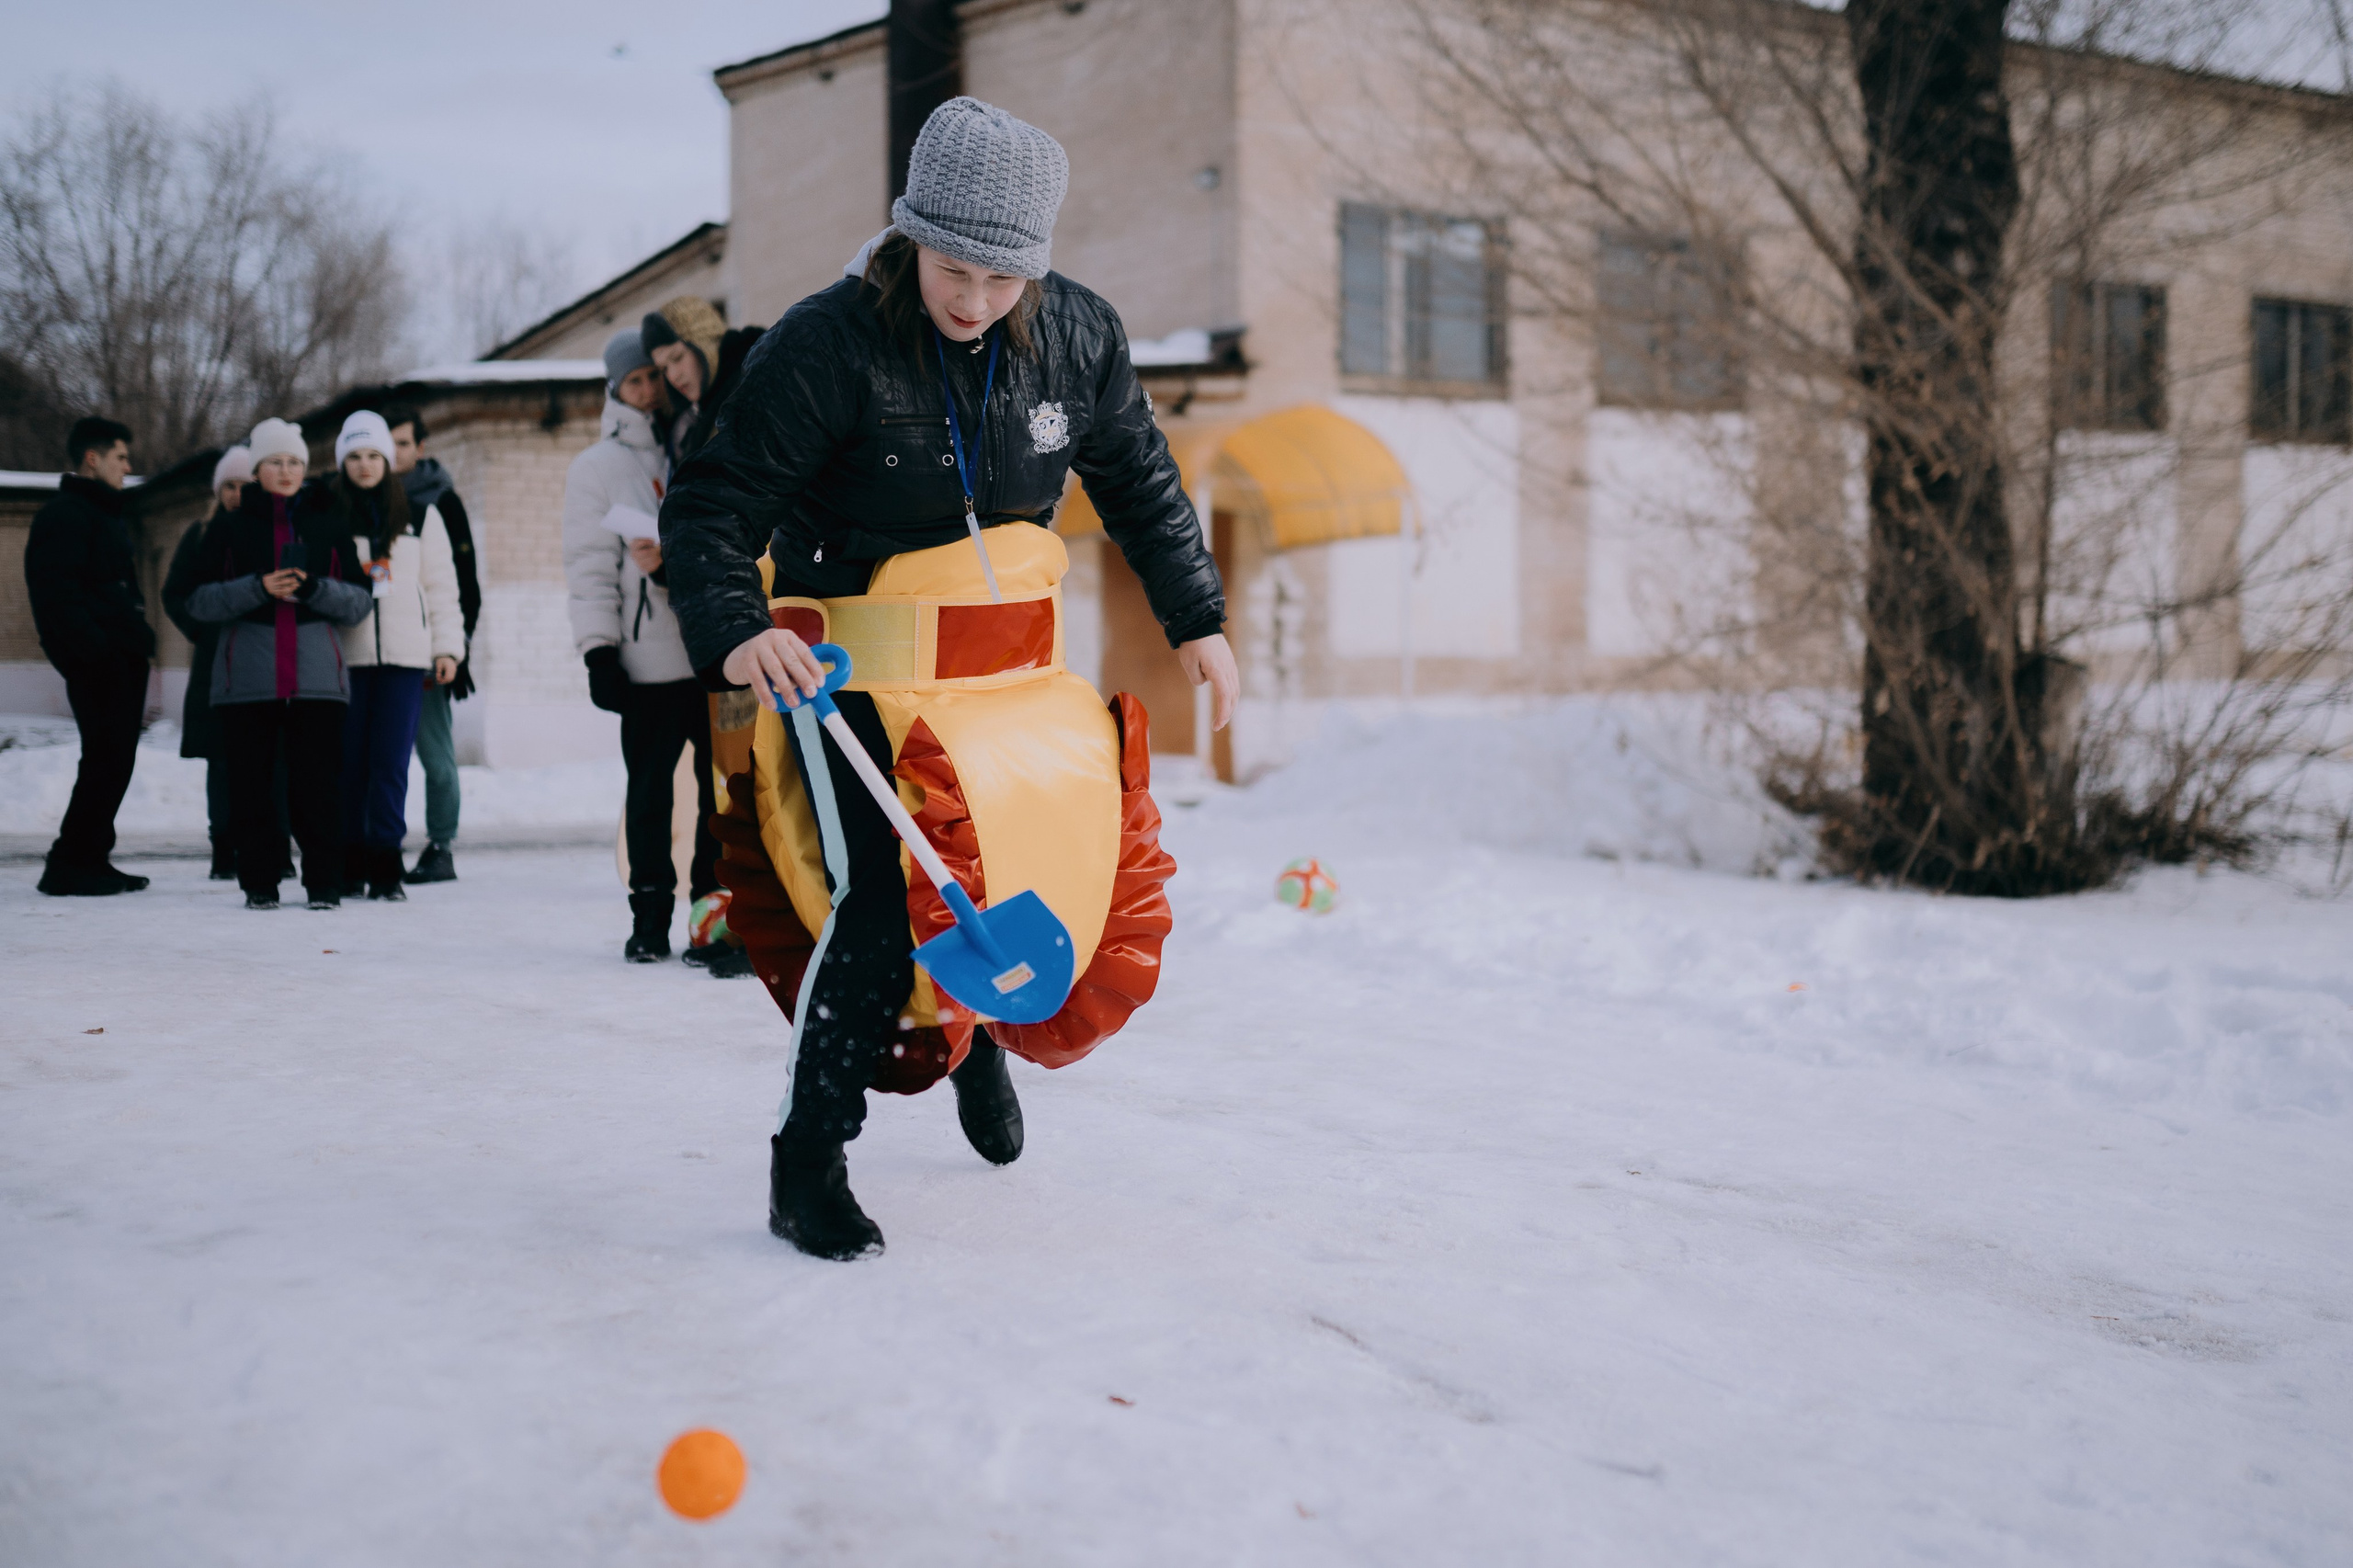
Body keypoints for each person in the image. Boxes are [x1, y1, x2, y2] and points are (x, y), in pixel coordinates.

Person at [662, 97, 1238, 1260]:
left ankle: (972, 1043)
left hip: (1007, 676)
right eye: (953, 267)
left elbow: (1137, 475)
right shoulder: (829, 344)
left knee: (1024, 874)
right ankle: (809, 1155)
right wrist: (735, 628)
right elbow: (714, 507)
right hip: (855, 673)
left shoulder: (1077, 334)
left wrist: (1198, 618)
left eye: (1002, 276)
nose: (975, 299)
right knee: (883, 898)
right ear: (910, 234)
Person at [563, 327, 723, 961]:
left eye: (656, 375)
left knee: (721, 796)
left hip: (713, 651)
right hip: (647, 660)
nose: (650, 389)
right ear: (616, 390)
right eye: (636, 380)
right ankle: (649, 919)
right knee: (651, 795)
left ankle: (712, 920)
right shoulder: (597, 467)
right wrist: (599, 650)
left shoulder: (694, 441)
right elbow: (589, 567)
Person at [183, 418, 374, 909]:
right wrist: (257, 588)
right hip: (246, 680)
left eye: (294, 462)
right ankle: (260, 883)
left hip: (316, 680)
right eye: (274, 463)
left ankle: (324, 884)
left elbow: (359, 603)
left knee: (318, 787)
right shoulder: (227, 527)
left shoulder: (329, 522)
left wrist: (312, 588)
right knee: (253, 787)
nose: (286, 471)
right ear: (257, 469)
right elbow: (196, 602)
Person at [328, 411, 461, 900]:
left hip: (407, 659)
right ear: (343, 462)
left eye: (373, 456)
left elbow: (442, 588)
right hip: (347, 657)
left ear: (388, 460)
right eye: (355, 456)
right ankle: (349, 859)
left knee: (390, 763)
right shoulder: (330, 518)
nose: (365, 466)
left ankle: (386, 862)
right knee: (350, 764)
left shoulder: (422, 517)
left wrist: (447, 649)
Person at [25, 416, 155, 896]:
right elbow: (55, 596)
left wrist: (136, 639)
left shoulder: (102, 514)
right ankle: (67, 864)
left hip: (118, 658)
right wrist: (96, 653)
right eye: (121, 456)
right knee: (104, 760)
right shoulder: (65, 515)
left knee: (112, 761)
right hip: (101, 663)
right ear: (92, 458)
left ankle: (91, 859)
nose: (128, 466)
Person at [385, 407, 481, 884]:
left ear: (420, 448)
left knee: (435, 755)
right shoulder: (359, 498)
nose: (393, 453)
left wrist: (454, 647)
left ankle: (441, 845)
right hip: (375, 652)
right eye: (387, 443)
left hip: (428, 652)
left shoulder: (441, 501)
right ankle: (378, 842)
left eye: (403, 443)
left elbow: (462, 584)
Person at [162, 445, 257, 880]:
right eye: (229, 486)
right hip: (216, 661)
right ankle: (223, 849)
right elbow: (175, 594)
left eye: (245, 485)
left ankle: (265, 845)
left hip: (260, 658)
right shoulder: (200, 535)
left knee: (265, 758)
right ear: (218, 491)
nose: (237, 494)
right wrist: (204, 632)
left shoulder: (268, 532)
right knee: (221, 759)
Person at [642, 296, 766, 468]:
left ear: (704, 343)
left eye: (677, 358)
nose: (673, 376)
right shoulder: (699, 419)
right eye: (664, 369)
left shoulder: (757, 391)